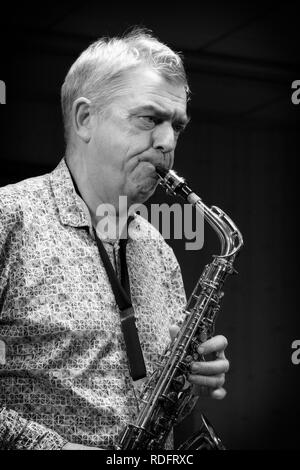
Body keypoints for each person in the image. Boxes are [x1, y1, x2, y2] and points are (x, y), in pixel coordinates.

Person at [0, 29, 229, 450]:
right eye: (150, 119)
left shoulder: (159, 252)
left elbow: (162, 407)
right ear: (86, 119)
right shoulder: (8, 219)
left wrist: (189, 384)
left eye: (177, 126)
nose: (167, 142)